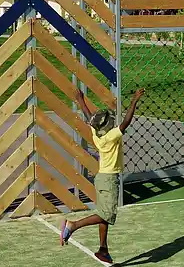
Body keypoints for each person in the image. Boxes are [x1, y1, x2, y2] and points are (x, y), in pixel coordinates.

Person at [60, 88, 145, 264]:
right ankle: (73, 225)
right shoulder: (111, 136)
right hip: (109, 179)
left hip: (101, 178)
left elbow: (89, 117)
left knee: (103, 214)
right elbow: (126, 122)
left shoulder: (97, 134)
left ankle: (103, 249)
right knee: (107, 214)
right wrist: (134, 100)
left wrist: (80, 100)